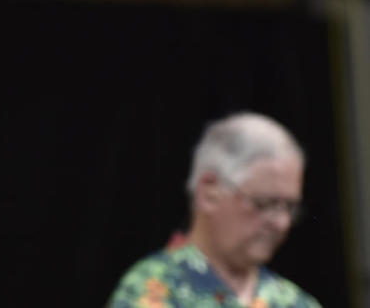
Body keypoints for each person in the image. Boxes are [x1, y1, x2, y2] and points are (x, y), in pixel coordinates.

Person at [107, 112, 320, 308]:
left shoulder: (295, 302)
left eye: (289, 207)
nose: (281, 222)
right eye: (264, 203)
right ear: (210, 192)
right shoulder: (153, 289)